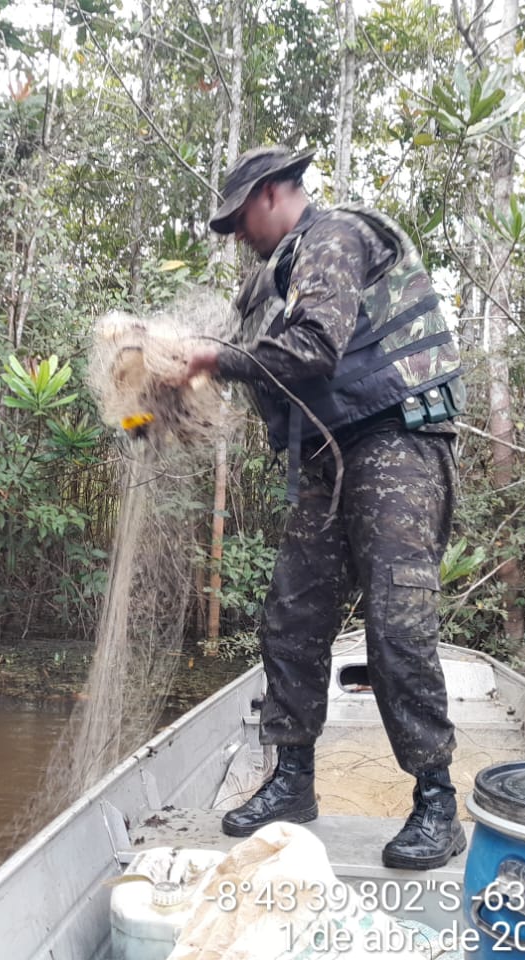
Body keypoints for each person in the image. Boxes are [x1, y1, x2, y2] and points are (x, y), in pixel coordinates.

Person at [182, 145, 467, 870]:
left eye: (240, 216)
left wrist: (213, 360)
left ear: (274, 194)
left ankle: (437, 802)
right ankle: (291, 782)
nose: (238, 233)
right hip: (324, 458)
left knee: (397, 625)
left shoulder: (334, 239)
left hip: (396, 443)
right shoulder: (267, 281)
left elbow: (311, 349)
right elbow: (252, 357)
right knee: (292, 615)